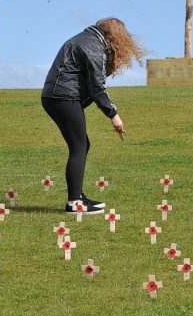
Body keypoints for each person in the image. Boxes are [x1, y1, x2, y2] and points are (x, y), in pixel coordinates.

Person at [41, 18, 144, 215]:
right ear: (114, 36)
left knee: (81, 146)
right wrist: (113, 114)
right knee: (79, 147)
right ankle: (74, 203)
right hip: (64, 98)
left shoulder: (85, 38)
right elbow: (97, 86)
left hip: (56, 96)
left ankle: (78, 196)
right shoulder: (93, 45)